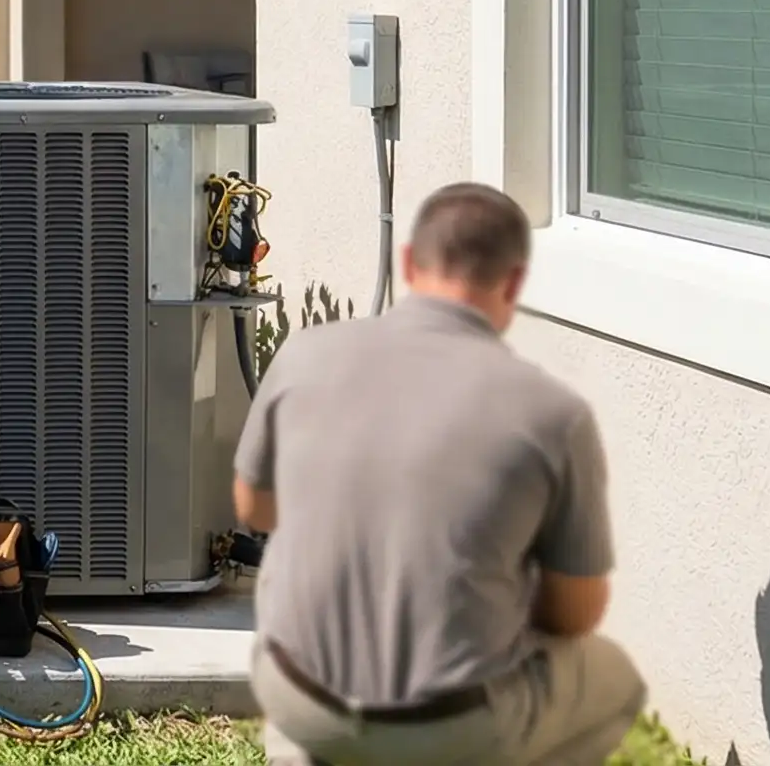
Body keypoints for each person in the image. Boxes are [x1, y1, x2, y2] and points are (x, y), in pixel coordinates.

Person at [234, 182, 645, 765]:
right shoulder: (553, 413)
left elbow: (253, 509)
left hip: (304, 700)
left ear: (406, 263)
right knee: (609, 677)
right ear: (513, 284)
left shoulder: (303, 353)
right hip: (448, 728)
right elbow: (575, 611)